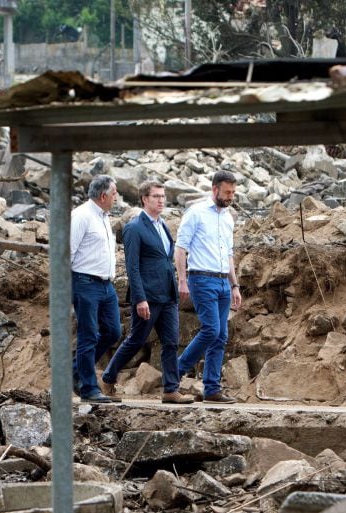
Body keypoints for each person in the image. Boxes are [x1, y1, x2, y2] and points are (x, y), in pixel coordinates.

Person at [101, 181, 194, 404]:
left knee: (171, 342)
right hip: (148, 296)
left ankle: (171, 390)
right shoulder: (134, 228)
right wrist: (140, 298)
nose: (161, 200)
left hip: (168, 294)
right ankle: (108, 377)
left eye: (163, 196)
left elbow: (165, 258)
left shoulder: (163, 226)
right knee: (136, 339)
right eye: (156, 196)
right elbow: (132, 267)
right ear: (144, 199)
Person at [175, 171, 242, 403]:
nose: (230, 196)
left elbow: (229, 254)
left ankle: (212, 388)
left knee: (221, 335)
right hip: (201, 278)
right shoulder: (196, 213)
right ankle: (175, 372)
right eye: (227, 192)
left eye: (233, 192)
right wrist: (182, 281)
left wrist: (234, 285)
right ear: (214, 189)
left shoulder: (228, 218)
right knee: (211, 329)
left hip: (223, 280)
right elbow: (181, 248)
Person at [70, 175, 122, 403]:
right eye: (114, 193)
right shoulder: (81, 216)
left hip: (105, 284)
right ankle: (89, 388)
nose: (117, 197)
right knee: (88, 334)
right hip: (85, 282)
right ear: (103, 196)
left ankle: (75, 371)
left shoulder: (103, 216)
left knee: (113, 331)